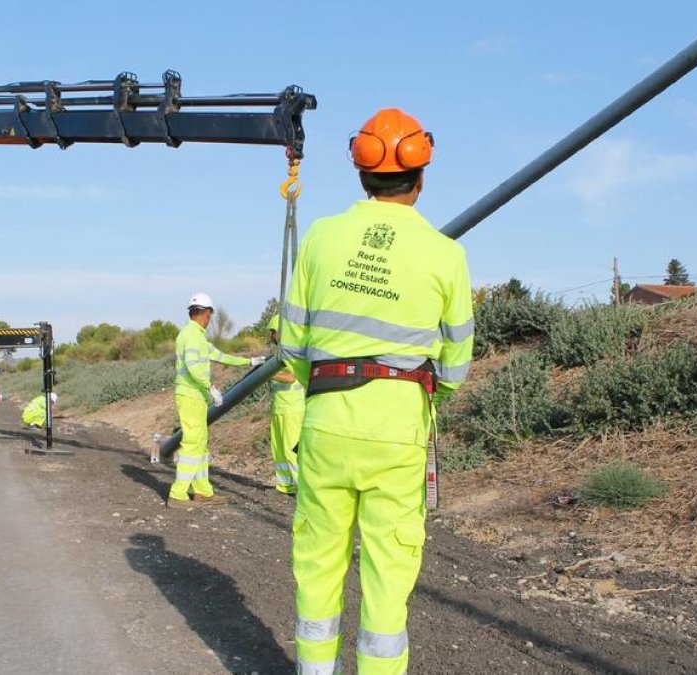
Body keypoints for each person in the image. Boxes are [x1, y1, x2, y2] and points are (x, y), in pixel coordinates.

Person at [279, 109, 474, 673]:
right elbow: (456, 364)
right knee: (389, 573)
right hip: (399, 430)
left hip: (325, 422)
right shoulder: (446, 254)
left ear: (361, 173)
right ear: (421, 176)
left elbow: (292, 343)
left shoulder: (319, 237)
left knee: (317, 560)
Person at [167, 292, 264, 507]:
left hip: (195, 395)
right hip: (191, 394)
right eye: (210, 314)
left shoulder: (196, 335)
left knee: (200, 446)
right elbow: (193, 366)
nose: (211, 319)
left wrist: (248, 362)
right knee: (192, 444)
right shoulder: (191, 335)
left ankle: (203, 492)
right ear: (207, 313)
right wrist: (210, 387)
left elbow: (219, 356)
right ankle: (178, 494)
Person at [266, 314, 303, 495]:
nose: (271, 336)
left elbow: (291, 377)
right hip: (280, 409)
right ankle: (285, 486)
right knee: (279, 451)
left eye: (273, 332)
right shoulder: (279, 356)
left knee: (290, 451)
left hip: (292, 410)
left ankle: (300, 488)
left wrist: (267, 374)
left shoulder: (293, 353)